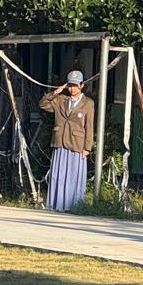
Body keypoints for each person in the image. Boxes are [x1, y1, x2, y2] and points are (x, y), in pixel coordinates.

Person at [39, 70, 95, 212]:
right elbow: (43, 104)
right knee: (58, 175)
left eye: (75, 85)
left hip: (77, 144)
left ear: (81, 85)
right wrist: (55, 92)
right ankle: (56, 205)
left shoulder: (88, 103)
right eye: (70, 85)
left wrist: (87, 148)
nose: (72, 89)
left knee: (73, 176)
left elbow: (89, 126)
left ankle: (74, 206)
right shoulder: (61, 100)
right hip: (60, 142)